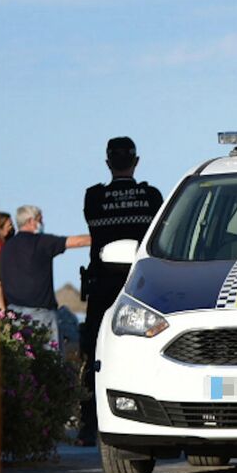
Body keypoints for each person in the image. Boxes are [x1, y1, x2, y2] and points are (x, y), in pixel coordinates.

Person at [77, 137, 163, 444]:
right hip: (142, 287)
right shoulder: (151, 196)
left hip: (102, 286)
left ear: (107, 163)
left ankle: (90, 423)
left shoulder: (94, 198)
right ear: (136, 161)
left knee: (93, 353)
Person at [0, 205, 90, 348]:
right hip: (42, 315)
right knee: (51, 363)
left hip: (15, 316)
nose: (42, 223)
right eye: (40, 219)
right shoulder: (42, 242)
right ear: (31, 221)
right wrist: (104, 236)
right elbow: (78, 241)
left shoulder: (6, 249)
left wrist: (3, 314)